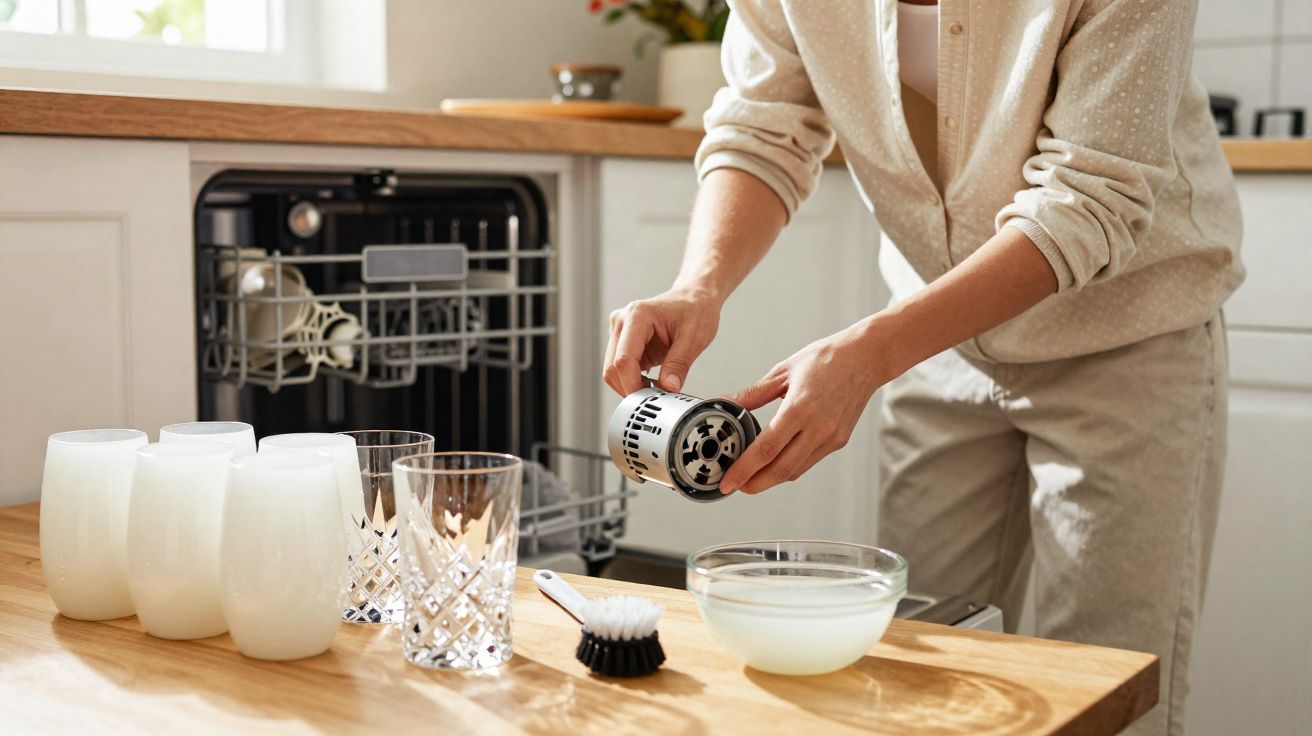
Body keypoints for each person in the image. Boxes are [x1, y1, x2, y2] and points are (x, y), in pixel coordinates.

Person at [602, 1, 1243, 734]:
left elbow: (1090, 196)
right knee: (917, 671)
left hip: (1127, 332)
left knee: (1107, 687)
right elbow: (763, 125)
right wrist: (698, 286)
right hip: (938, 345)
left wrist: (872, 353)